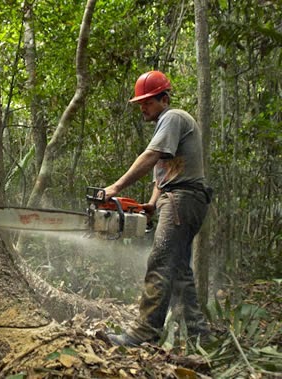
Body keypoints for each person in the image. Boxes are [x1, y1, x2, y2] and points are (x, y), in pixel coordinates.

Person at [104, 70, 212, 346]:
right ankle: (199, 334)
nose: (143, 107)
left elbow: (151, 156)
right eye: (141, 102)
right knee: (179, 270)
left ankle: (144, 332)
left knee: (160, 262)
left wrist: (116, 188)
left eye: (148, 102)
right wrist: (151, 204)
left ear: (164, 99)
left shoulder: (173, 117)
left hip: (182, 199)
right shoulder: (165, 125)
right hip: (177, 199)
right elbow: (163, 172)